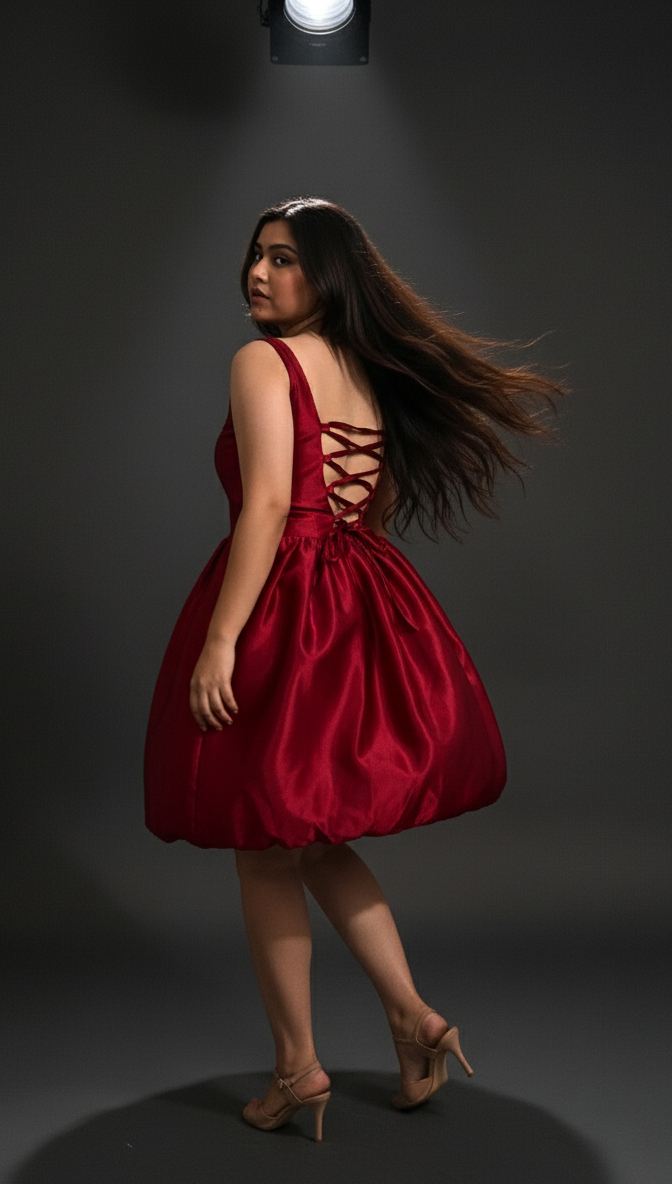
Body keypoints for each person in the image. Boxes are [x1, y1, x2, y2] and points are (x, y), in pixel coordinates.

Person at [144, 197, 562, 1142]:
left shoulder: (265, 361)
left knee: (264, 843)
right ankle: (415, 1020)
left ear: (326, 274)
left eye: (283, 259)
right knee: (316, 836)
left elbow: (264, 511)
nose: (257, 274)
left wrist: (220, 639)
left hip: (283, 607)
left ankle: (296, 1070)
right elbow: (352, 501)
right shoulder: (365, 368)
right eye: (254, 256)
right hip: (356, 599)